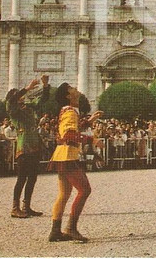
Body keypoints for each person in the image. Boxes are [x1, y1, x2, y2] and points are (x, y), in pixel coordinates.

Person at [48, 82, 103, 243]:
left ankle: (55, 231)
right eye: (71, 88)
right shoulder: (70, 112)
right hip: (68, 156)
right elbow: (69, 135)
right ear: (67, 95)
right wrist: (92, 139)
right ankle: (71, 228)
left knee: (64, 193)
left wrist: (89, 120)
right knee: (84, 190)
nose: (75, 89)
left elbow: (72, 129)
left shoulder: (68, 111)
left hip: (62, 155)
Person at [6, 74, 50, 218]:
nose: (21, 97)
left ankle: (26, 206)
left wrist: (45, 86)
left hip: (34, 145)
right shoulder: (14, 111)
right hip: (24, 146)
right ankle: (15, 207)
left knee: (32, 177)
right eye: (18, 95)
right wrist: (27, 88)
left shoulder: (28, 107)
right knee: (21, 178)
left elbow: (41, 101)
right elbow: (11, 101)